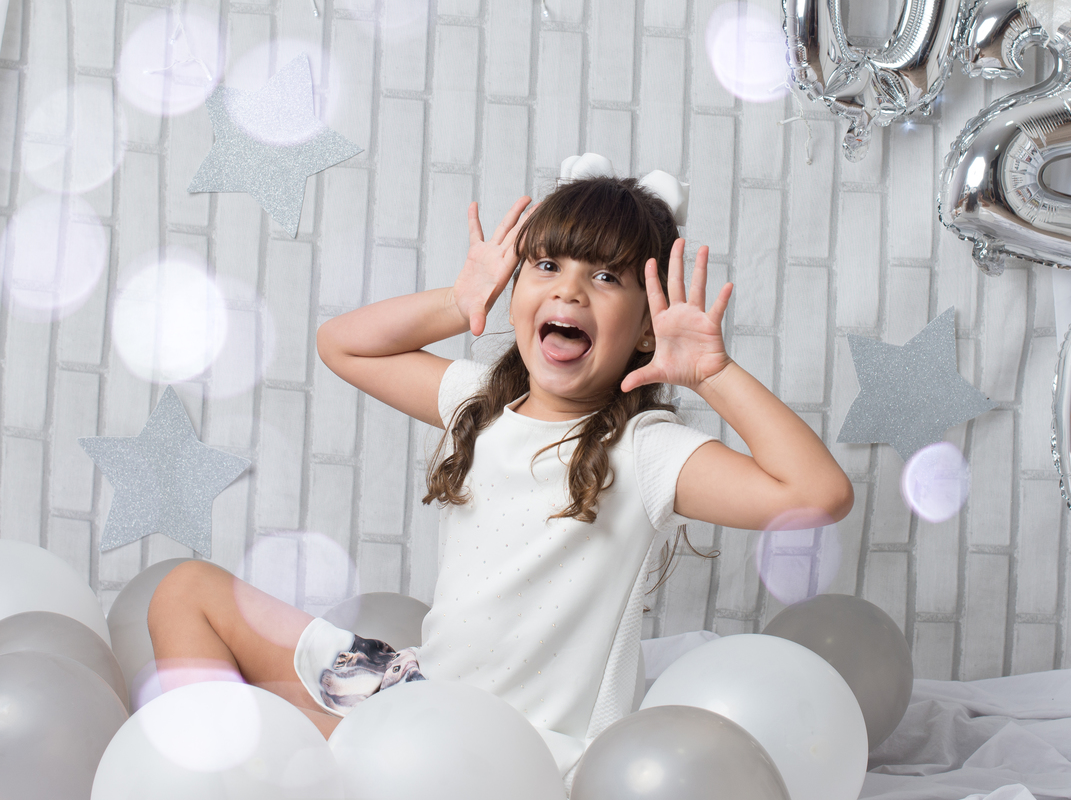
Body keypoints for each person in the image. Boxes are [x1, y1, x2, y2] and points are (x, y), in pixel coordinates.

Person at [147, 169, 853, 781]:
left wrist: (712, 372)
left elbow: (817, 495)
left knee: (303, 744)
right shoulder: (479, 401)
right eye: (546, 265)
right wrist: (459, 301)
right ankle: (228, 769)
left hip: (503, 755)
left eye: (606, 277)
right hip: (417, 697)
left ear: (648, 326)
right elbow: (343, 345)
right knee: (185, 592)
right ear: (517, 289)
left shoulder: (645, 451)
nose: (569, 291)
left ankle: (285, 762)